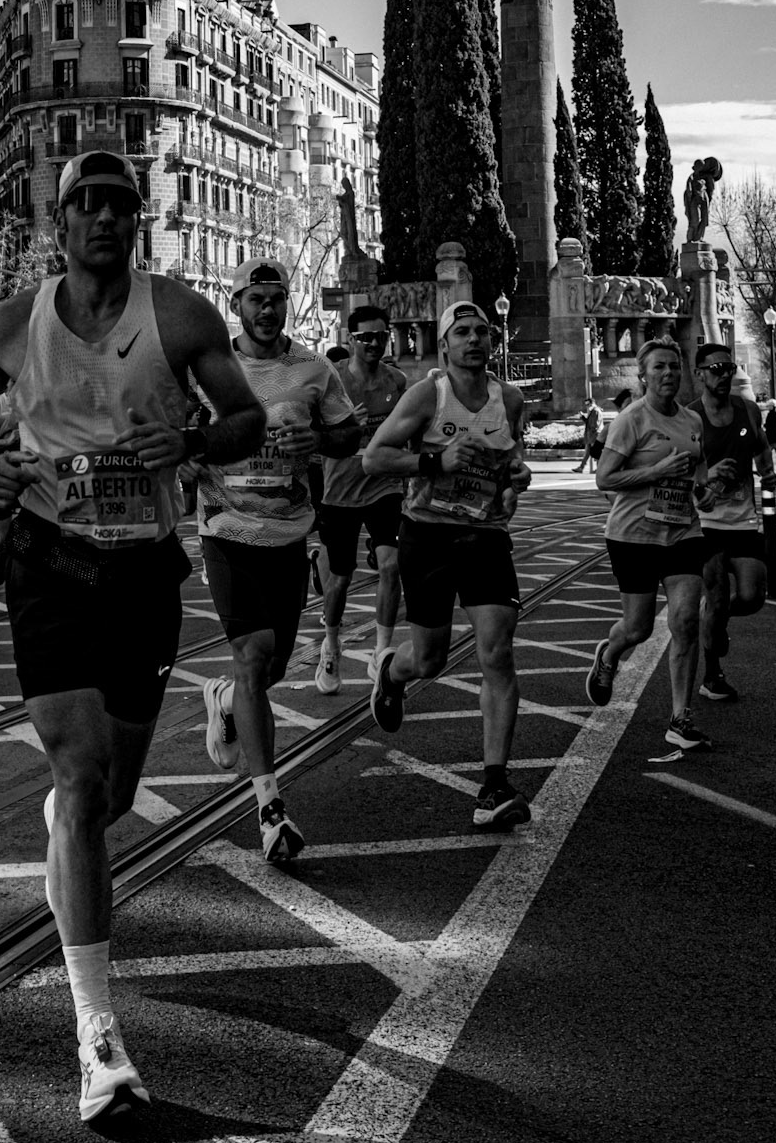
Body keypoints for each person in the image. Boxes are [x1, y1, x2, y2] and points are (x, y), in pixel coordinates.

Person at [0, 149, 265, 1123]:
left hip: (141, 574)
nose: (105, 217)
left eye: (120, 203)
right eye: (87, 202)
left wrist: (194, 440)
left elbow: (246, 418)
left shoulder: (181, 317)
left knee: (112, 792)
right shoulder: (14, 322)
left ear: (137, 219)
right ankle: (98, 1039)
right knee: (80, 782)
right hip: (47, 564)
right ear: (64, 220)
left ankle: (72, 833)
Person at [196, 260, 358, 862]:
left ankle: (226, 700)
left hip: (288, 535)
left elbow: (349, 435)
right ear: (236, 304)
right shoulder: (209, 370)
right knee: (254, 653)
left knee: (268, 671)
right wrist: (188, 454)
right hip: (226, 529)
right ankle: (270, 810)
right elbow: (180, 431)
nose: (267, 309)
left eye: (276, 298)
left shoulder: (314, 368)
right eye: (256, 299)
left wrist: (318, 440)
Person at [363, 300, 535, 830]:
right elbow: (374, 457)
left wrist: (518, 477)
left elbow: (512, 462)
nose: (474, 339)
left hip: (485, 537)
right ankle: (392, 672)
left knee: (497, 652)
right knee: (430, 660)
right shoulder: (427, 396)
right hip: (428, 536)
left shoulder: (509, 399)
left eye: (482, 331)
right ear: (444, 345)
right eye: (462, 332)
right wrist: (436, 460)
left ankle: (494, 784)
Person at [587, 337, 711, 751]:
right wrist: (657, 471)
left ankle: (680, 718)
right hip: (633, 536)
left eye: (674, 366)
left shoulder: (692, 421)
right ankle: (609, 654)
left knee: (686, 621)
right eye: (659, 367)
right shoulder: (631, 419)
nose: (668, 373)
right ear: (643, 376)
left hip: (683, 533)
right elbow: (605, 478)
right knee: (637, 628)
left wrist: (706, 491)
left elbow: (698, 476)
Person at [314, 304, 407, 693]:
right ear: (350, 340)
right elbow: (311, 433)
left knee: (391, 565)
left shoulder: (397, 381)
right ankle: (331, 644)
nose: (374, 343)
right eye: (365, 336)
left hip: (384, 485)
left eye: (381, 336)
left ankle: (381, 651)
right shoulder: (330, 380)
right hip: (340, 490)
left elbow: (413, 428)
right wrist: (347, 427)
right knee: (339, 579)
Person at [687, 344, 772, 704]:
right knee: (718, 594)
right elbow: (681, 470)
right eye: (716, 369)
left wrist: (767, 471)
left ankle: (714, 617)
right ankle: (712, 675)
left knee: (752, 597)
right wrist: (704, 480)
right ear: (700, 374)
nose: (724, 375)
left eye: (729, 368)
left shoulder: (747, 409)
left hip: (743, 520)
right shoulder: (690, 417)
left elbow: (761, 445)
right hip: (704, 522)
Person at [574, 396, 603, 473]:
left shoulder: (596, 411)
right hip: (591, 435)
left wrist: (592, 432)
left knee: (596, 452)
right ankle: (581, 467)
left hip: (594, 435)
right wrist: (583, 417)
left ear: (592, 403)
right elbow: (589, 423)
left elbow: (595, 424)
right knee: (587, 452)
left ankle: (599, 468)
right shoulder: (593, 411)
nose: (587, 406)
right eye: (586, 404)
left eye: (588, 404)